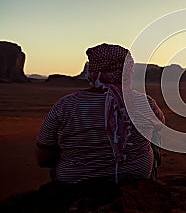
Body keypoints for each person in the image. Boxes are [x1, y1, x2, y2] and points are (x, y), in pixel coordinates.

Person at [35, 43, 164, 184]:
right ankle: (145, 180)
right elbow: (160, 126)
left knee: (56, 144)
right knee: (154, 135)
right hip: (134, 180)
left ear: (92, 71)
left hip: (75, 184)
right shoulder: (146, 103)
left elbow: (43, 158)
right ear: (128, 71)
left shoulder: (65, 105)